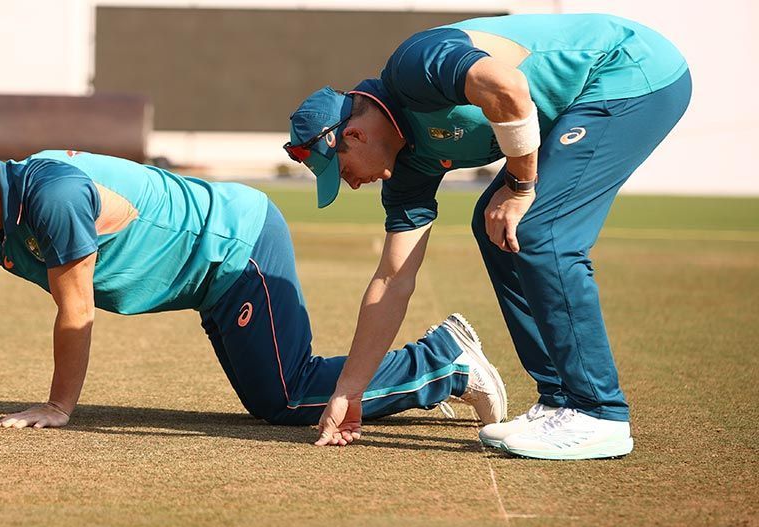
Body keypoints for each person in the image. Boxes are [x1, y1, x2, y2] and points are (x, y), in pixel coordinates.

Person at [0, 133, 506, 436]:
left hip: (236, 247)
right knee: (275, 397)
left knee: (286, 398)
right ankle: (436, 364)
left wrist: (61, 406)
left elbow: (76, 310)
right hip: (210, 275)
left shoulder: (53, 197)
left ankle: (446, 363)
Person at [287, 13, 690, 459]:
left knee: (540, 228)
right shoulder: (406, 170)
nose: (352, 184)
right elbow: (393, 278)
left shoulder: (414, 67)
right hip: (583, 97)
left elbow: (508, 89)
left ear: (355, 134)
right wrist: (351, 388)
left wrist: (519, 187)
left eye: (342, 171)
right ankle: (559, 400)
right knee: (495, 223)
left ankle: (599, 412)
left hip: (629, 70)